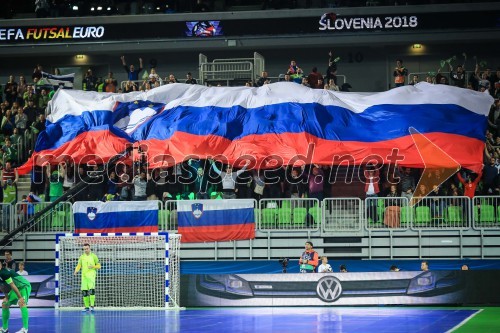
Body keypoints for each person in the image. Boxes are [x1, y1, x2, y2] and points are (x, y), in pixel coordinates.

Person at [0, 260, 30, 333]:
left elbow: (12, 285)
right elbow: (2, 287)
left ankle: (25, 329)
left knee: (22, 303)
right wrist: (6, 297)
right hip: (15, 288)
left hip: (23, 286)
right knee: (4, 304)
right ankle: (4, 328)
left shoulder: (4, 273)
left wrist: (20, 297)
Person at [73, 243, 101, 312]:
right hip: (84, 277)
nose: (86, 250)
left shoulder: (94, 256)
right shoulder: (82, 257)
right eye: (84, 249)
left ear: (89, 248)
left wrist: (93, 266)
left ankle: (92, 306)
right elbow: (79, 265)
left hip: (91, 276)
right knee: (84, 292)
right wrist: (76, 271)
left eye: (87, 249)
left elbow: (99, 266)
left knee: (91, 290)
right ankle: (86, 307)